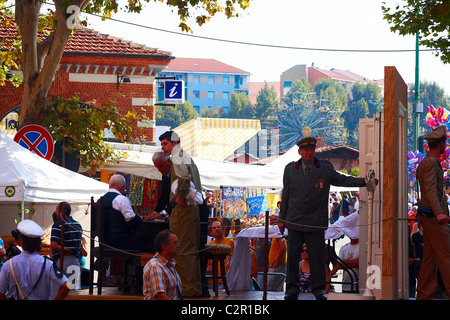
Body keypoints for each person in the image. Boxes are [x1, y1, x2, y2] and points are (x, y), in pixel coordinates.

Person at [278, 135, 374, 300]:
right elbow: (285, 195)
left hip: (315, 222)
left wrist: (364, 181)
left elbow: (343, 179)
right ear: (300, 152)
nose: (309, 152)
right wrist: (281, 219)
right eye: (306, 150)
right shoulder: (290, 169)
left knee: (317, 257)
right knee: (293, 257)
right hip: (294, 220)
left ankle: (319, 290)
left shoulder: (324, 168)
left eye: (312, 149)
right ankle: (291, 290)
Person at [159, 130, 203, 298]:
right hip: (193, 209)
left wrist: (180, 198)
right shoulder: (186, 157)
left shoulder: (177, 157)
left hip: (183, 209)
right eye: (162, 144)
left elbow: (184, 178)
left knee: (181, 250)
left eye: (165, 143)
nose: (163, 147)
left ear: (174, 143)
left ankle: (186, 291)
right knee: (191, 251)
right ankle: (194, 289)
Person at [415, 125, 450, 300]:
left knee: (429, 261)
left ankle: (424, 295)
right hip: (434, 219)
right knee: (447, 256)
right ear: (442, 143)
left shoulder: (428, 161)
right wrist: (439, 213)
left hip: (428, 218)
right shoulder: (430, 162)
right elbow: (429, 190)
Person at [0, 220, 69, 300]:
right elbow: (66, 286)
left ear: (21, 242)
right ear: (39, 243)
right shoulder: (48, 264)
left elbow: (1, 293)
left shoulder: (8, 264)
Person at [103, 174, 148, 252]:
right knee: (149, 244)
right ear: (123, 187)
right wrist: (139, 219)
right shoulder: (121, 199)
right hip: (120, 241)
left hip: (105, 241)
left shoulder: (102, 199)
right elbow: (132, 221)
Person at [50, 202, 83, 288]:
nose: (56, 213)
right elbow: (79, 244)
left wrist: (67, 249)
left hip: (62, 261)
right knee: (73, 291)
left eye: (57, 210)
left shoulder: (57, 225)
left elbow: (54, 246)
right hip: (75, 261)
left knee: (59, 291)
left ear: (61, 211)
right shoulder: (77, 225)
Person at [143, 230, 182, 300]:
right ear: (164, 245)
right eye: (175, 243)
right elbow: (160, 296)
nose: (178, 246)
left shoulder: (169, 264)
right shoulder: (156, 266)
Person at [147, 151, 173, 220]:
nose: (159, 169)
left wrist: (163, 214)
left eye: (160, 166)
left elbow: (177, 197)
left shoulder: (176, 173)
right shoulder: (164, 175)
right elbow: (164, 196)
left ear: (168, 161)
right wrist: (154, 213)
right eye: (157, 167)